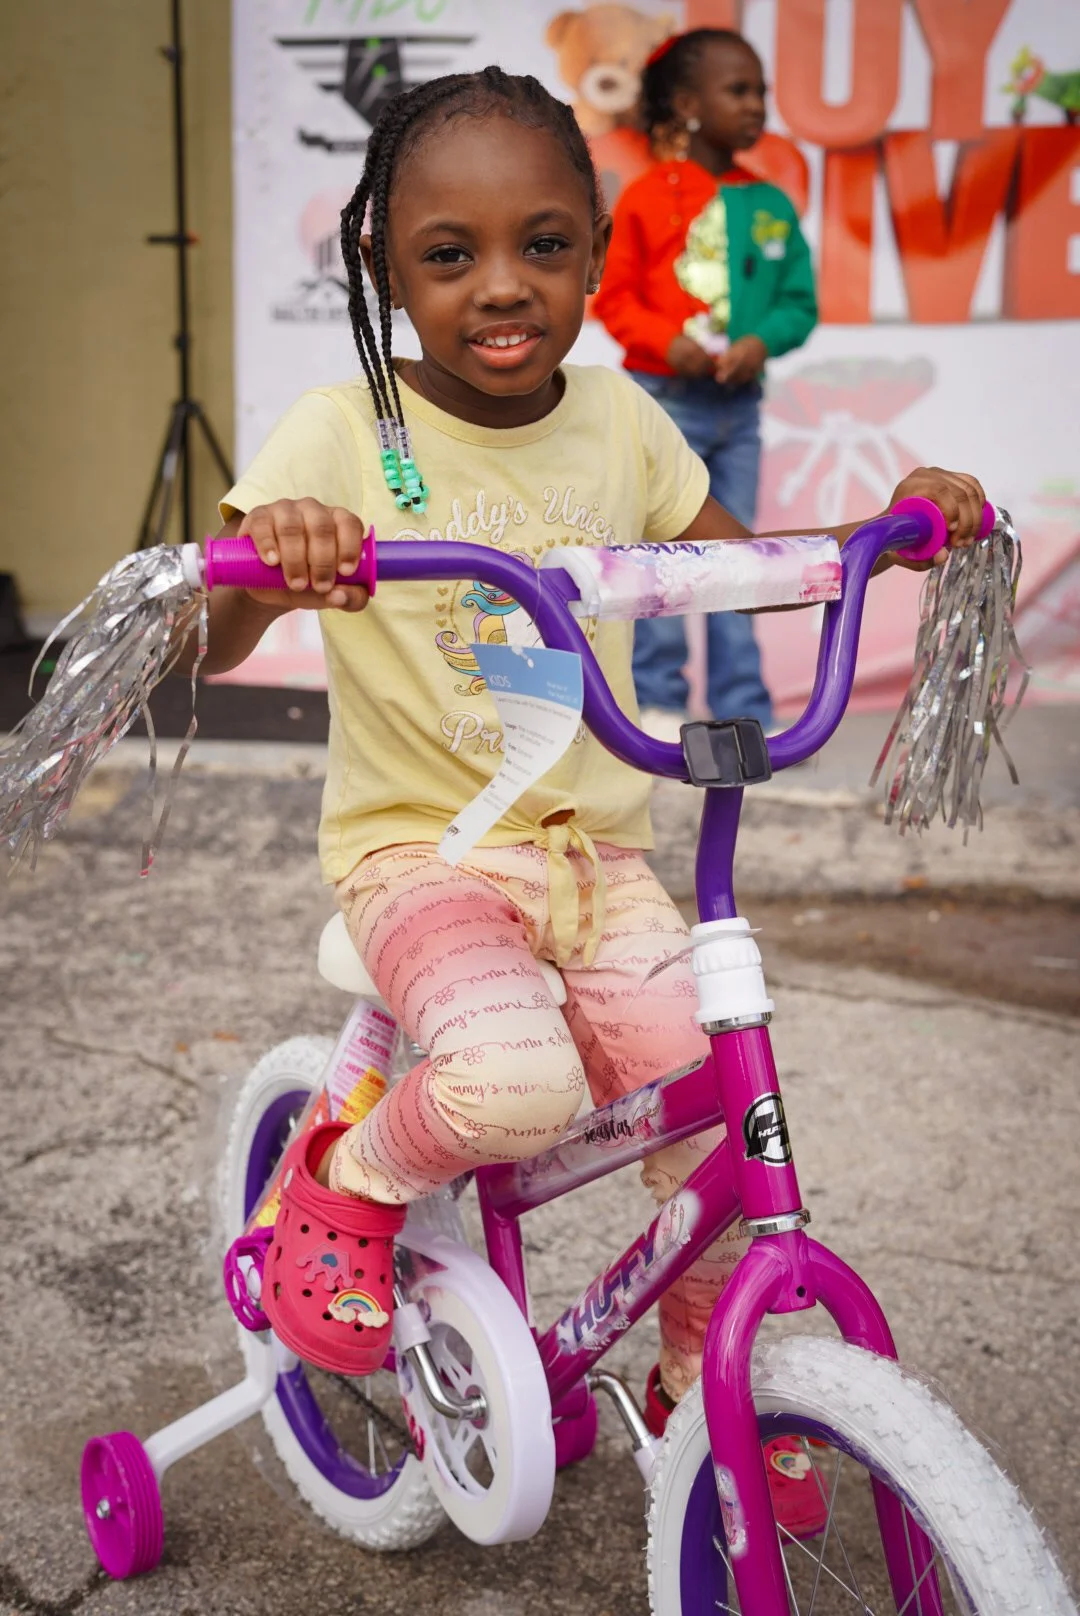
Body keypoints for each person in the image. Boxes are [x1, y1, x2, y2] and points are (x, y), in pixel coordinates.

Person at [186, 67, 985, 1533]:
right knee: (516, 1084)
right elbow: (210, 633)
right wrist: (275, 554)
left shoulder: (622, 422)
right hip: (424, 855)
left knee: (715, 1105)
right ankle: (344, 1181)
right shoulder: (346, 431)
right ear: (382, 262)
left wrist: (887, 532)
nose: (503, 286)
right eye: (450, 254)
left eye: (544, 245)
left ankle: (697, 1385)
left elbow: (749, 566)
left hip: (590, 856)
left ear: (599, 248)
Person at [593, 28, 817, 741]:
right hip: (662, 405)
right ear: (688, 105)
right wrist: (667, 344)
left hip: (737, 412)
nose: (756, 105)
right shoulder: (643, 199)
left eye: (761, 92)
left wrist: (760, 342)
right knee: (663, 557)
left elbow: (799, 303)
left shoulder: (771, 204)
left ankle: (742, 707)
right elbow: (613, 297)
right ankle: (659, 700)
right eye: (738, 90)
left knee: (740, 557)